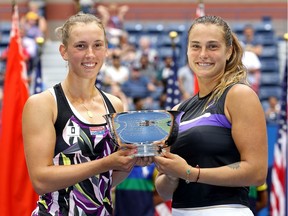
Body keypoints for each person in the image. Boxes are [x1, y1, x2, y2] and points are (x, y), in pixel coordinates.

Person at [22, 12, 152, 215]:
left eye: (98, 45)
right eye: (80, 46)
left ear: (107, 50)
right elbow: (40, 180)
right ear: (63, 51)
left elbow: (106, 181)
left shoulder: (115, 105)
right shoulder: (44, 104)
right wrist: (104, 163)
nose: (90, 54)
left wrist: (129, 162)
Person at [154, 15, 268, 216]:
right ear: (187, 50)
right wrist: (172, 174)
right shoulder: (179, 108)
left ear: (229, 51)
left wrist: (189, 173)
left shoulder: (239, 95)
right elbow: (164, 192)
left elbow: (257, 172)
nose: (203, 54)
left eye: (213, 46)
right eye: (196, 46)